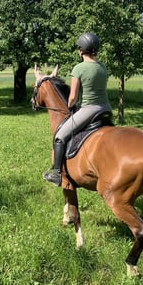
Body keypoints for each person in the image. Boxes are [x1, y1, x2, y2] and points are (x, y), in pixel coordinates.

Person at [43, 32, 112, 186]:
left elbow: (73, 96)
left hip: (89, 110)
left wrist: (69, 106)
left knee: (59, 136)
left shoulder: (78, 68)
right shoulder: (102, 66)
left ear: (81, 50)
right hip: (106, 109)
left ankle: (56, 173)